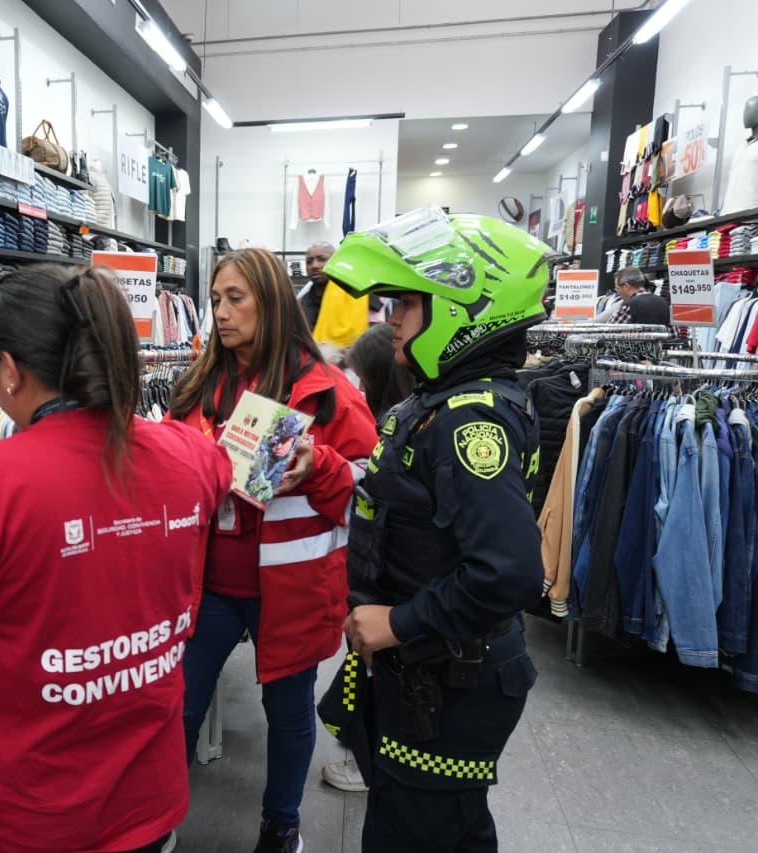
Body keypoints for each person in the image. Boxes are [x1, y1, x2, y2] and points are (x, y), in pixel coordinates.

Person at [0, 264, 233, 853]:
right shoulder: (188, 453)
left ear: (10, 369)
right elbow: (233, 468)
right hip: (148, 806)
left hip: (24, 817)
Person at [324, 209, 545, 852]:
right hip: (433, 672)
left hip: (450, 682)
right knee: (448, 828)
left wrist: (398, 622)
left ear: (462, 308)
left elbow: (509, 574)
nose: (391, 318)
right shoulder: (442, 403)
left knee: (416, 830)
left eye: (406, 303)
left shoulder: (471, 422)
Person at [169, 247, 377, 853]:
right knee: (180, 705)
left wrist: (322, 466)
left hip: (291, 588)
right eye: (215, 300)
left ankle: (281, 825)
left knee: (287, 713)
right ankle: (155, 815)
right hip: (207, 584)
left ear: (273, 303)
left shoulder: (330, 393)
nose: (221, 312)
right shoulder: (197, 384)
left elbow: (372, 497)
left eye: (235, 299)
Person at [319, 321, 416, 793]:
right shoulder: (397, 419)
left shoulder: (393, 427)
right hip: (382, 573)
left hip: (388, 578)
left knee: (376, 666)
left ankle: (368, 756)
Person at [244, 412, 307, 506]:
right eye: (278, 440)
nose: (278, 446)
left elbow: (267, 497)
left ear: (294, 441)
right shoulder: (269, 444)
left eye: (284, 441)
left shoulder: (296, 458)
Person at [298, 241, 335, 329]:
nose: (314, 266)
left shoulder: (352, 299)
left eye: (322, 259)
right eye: (309, 262)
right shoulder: (300, 305)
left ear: (335, 261)